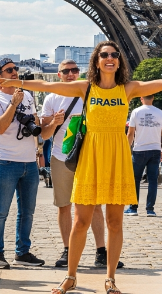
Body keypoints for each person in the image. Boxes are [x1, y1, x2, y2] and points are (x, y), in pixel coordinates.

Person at [0, 41, 162, 294]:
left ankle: (110, 278)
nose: (110, 58)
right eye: (104, 55)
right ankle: (70, 276)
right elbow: (47, 86)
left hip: (117, 156)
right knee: (80, 221)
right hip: (91, 156)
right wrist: (17, 83)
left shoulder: (128, 88)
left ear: (119, 61)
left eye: (114, 55)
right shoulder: (85, 88)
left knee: (115, 222)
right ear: (96, 60)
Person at [39, 59, 124, 269]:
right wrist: (54, 123)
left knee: (95, 206)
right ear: (58, 75)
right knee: (64, 206)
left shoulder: (89, 93)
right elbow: (44, 134)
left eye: (75, 70)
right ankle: (68, 250)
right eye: (66, 71)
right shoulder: (51, 99)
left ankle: (100, 251)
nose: (71, 74)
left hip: (88, 157)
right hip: (61, 157)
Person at [0, 58, 45, 269]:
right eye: (9, 70)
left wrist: (46, 127)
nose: (14, 72)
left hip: (29, 162)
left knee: (27, 211)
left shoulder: (28, 94)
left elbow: (35, 123)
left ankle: (23, 252)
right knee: (1, 211)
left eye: (15, 69)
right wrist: (13, 105)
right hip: (6, 161)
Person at [125, 94, 162, 217]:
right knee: (153, 180)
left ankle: (133, 207)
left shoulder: (136, 112)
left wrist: (128, 148)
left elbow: (130, 133)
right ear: (153, 98)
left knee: (135, 179)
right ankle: (150, 209)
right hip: (155, 148)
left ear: (141, 98)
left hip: (140, 149)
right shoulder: (160, 113)